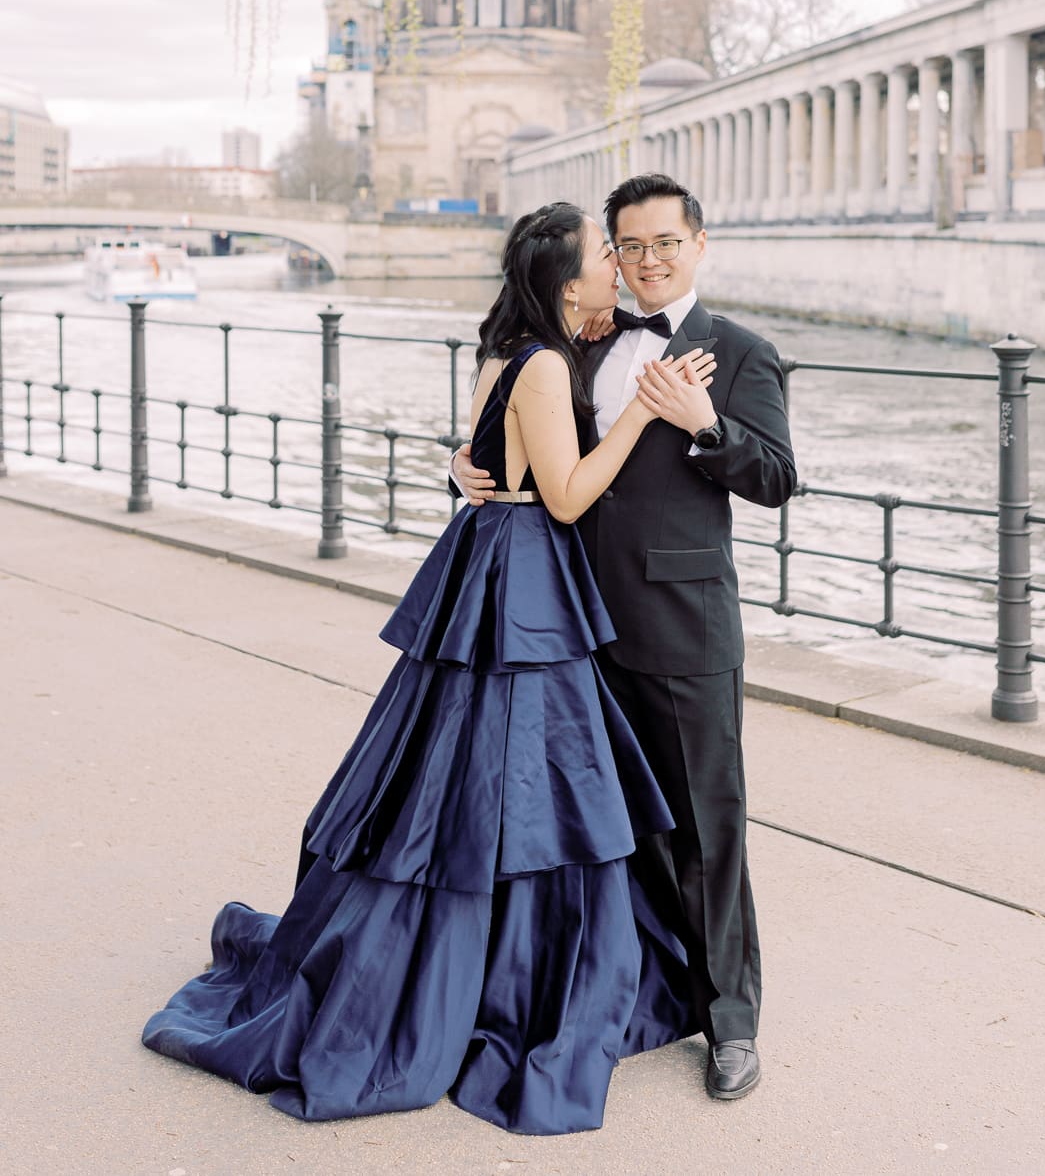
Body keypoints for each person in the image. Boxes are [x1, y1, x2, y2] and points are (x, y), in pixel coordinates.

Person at [141, 202, 718, 1135]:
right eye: (604, 254)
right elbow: (566, 498)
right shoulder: (540, 363)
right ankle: (517, 966)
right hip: (528, 565)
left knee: (462, 766)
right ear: (570, 278)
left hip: (493, 555)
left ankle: (477, 943)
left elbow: (496, 457)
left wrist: (475, 457)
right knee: (523, 775)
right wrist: (645, 413)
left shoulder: (517, 349)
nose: (620, 264)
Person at [453, 173, 796, 1103]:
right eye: (628, 246)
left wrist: (707, 424)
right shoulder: (579, 340)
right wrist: (469, 461)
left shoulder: (740, 350)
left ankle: (731, 1024)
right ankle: (646, 987)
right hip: (570, 627)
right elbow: (529, 437)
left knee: (704, 831)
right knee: (606, 829)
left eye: (663, 244)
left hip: (681, 632)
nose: (645, 261)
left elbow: (775, 478)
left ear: (699, 242)